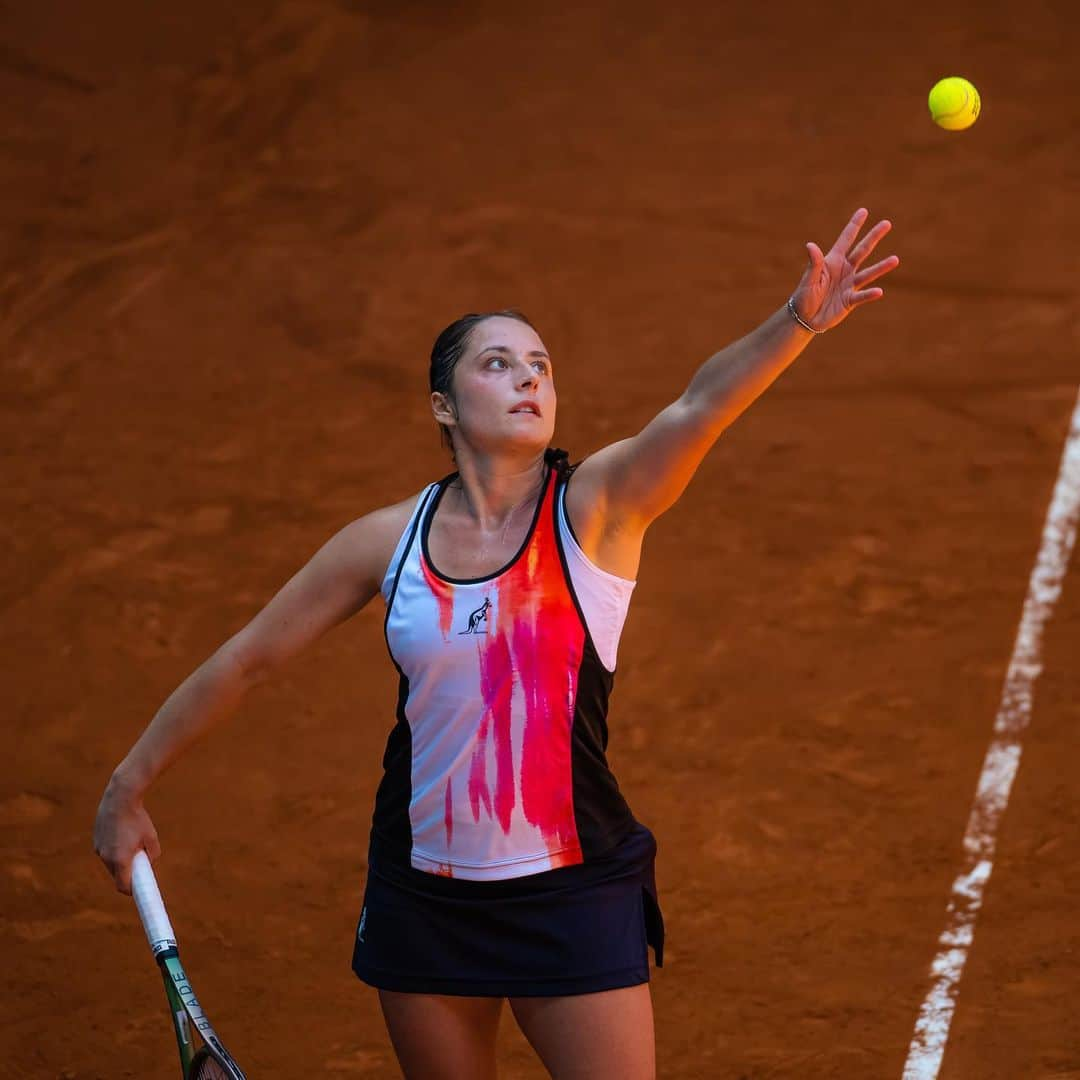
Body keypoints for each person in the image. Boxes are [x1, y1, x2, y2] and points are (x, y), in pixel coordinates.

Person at [94, 207, 898, 1079]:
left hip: (570, 889)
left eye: (542, 365)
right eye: (498, 363)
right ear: (443, 403)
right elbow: (250, 658)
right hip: (423, 897)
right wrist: (127, 784)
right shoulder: (385, 541)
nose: (529, 379)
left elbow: (699, 408)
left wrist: (798, 322)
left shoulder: (596, 507)